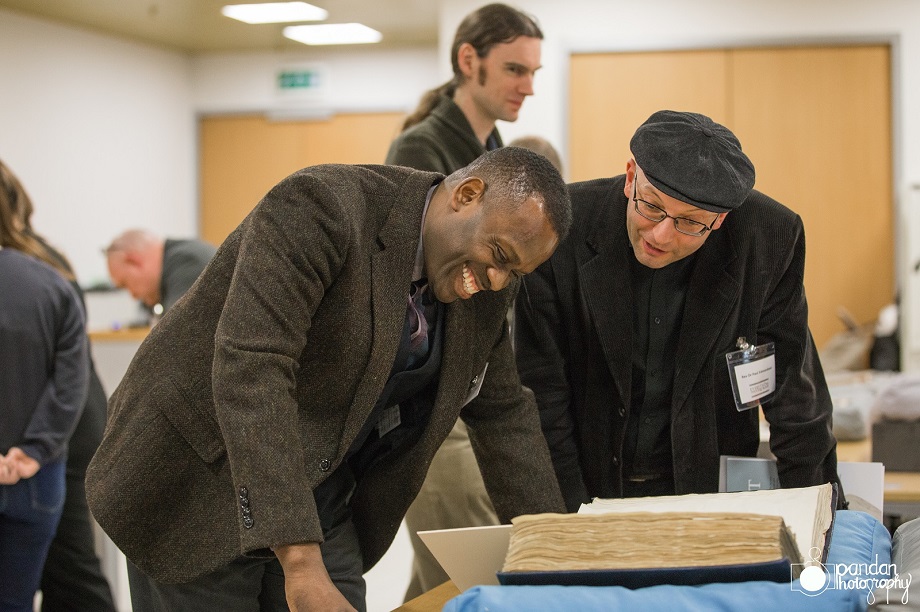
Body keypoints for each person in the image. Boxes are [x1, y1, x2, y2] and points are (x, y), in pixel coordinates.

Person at [86, 147, 571, 612]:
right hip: (201, 477)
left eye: (516, 272)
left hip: (320, 487)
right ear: (466, 195)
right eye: (500, 255)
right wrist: (300, 561)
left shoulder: (484, 281)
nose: (498, 280)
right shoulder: (322, 207)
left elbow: (504, 411)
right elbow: (253, 369)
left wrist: (551, 555)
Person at [514, 110, 844, 512]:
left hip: (708, 488)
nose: (660, 235)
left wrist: (818, 523)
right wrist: (566, 523)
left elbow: (794, 395)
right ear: (631, 175)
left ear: (720, 218)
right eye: (651, 207)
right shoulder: (564, 228)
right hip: (587, 482)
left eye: (690, 223)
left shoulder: (768, 238)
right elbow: (542, 394)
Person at [384, 4, 545, 598]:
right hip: (438, 404)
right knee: (470, 578)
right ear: (467, 61)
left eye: (534, 72)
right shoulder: (421, 149)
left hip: (479, 389)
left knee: (441, 581)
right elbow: (428, 291)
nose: (527, 86)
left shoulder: (494, 149)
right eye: (514, 69)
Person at [0, 160, 118, 612]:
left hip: (54, 437)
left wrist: (35, 446)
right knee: (64, 570)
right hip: (56, 433)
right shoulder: (49, 263)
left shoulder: (40, 266)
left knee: (70, 571)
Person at [104, 229, 216, 313]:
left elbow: (178, 337)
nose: (133, 295)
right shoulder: (180, 257)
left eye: (125, 284)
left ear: (134, 260)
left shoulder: (188, 264)